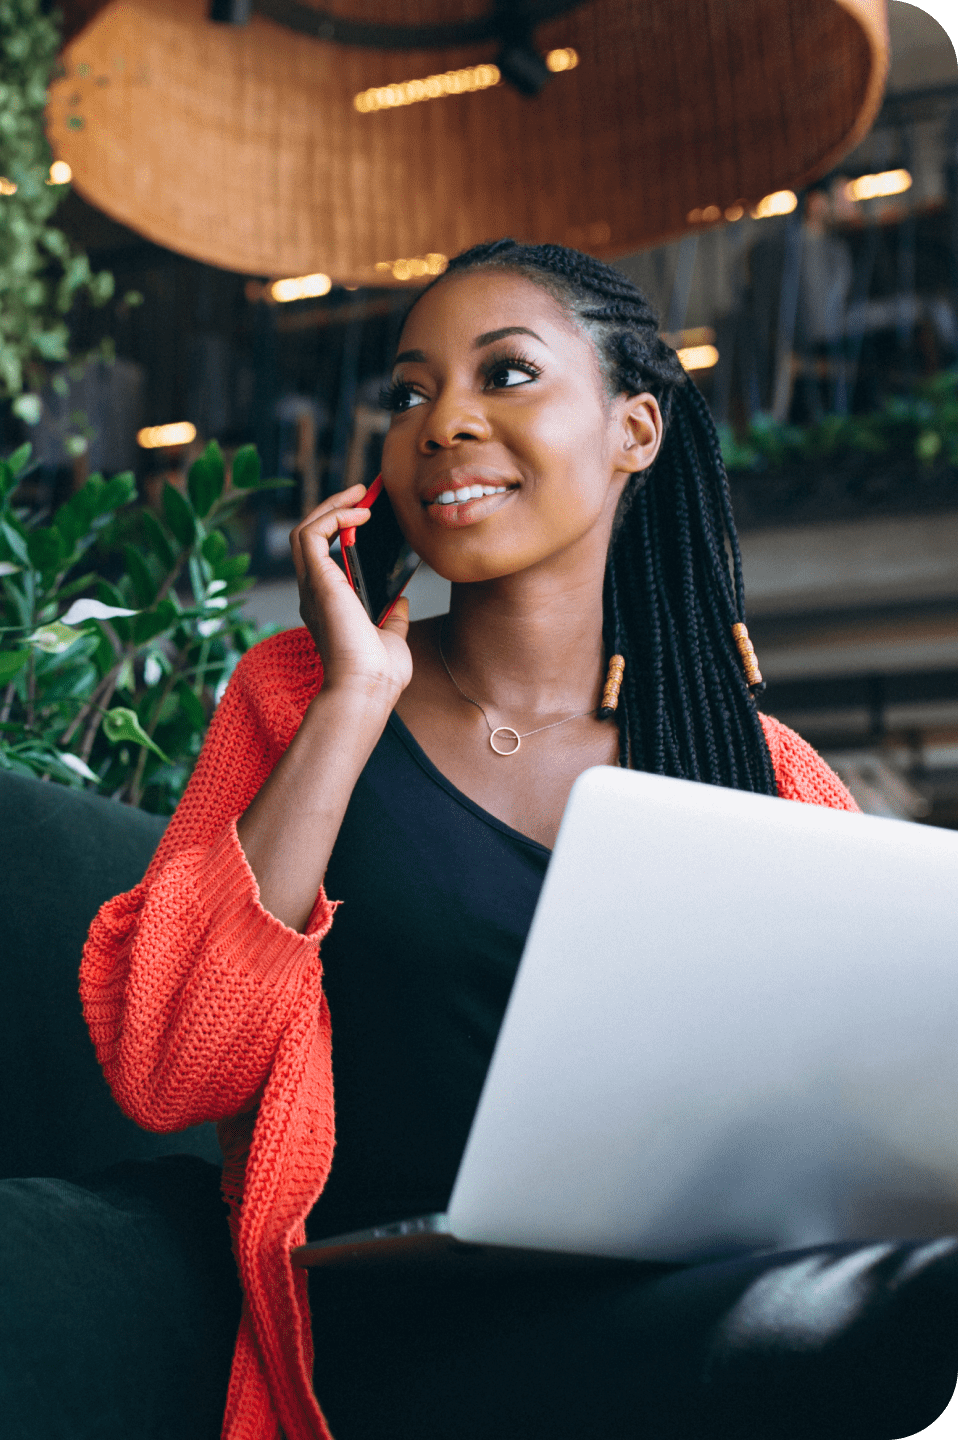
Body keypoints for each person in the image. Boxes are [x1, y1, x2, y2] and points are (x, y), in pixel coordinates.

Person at [80, 240, 958, 1440]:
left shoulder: (758, 769)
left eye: (506, 374)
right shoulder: (300, 700)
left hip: (685, 1304)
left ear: (635, 432)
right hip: (399, 1346)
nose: (444, 422)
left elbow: (854, 1131)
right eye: (409, 391)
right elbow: (170, 1066)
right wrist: (352, 704)